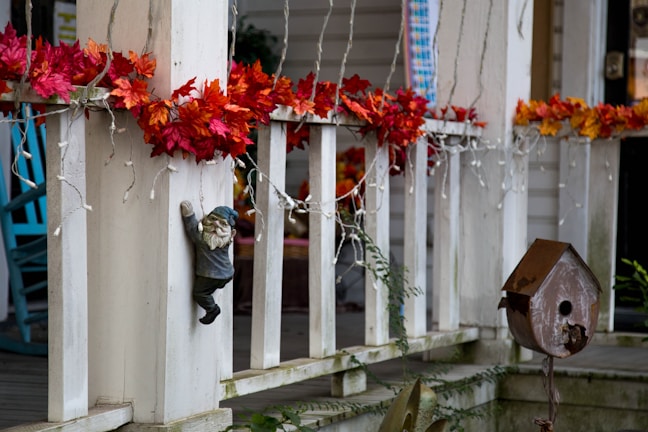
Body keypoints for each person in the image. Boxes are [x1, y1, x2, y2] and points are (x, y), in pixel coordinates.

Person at [180, 200, 238, 324]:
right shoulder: (226, 241)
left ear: (232, 233)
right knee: (215, 285)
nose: (216, 225)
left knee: (200, 293)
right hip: (227, 274)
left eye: (222, 223)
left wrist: (189, 215)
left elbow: (192, 230)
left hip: (210, 276)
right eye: (212, 219)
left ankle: (212, 309)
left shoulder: (202, 240)